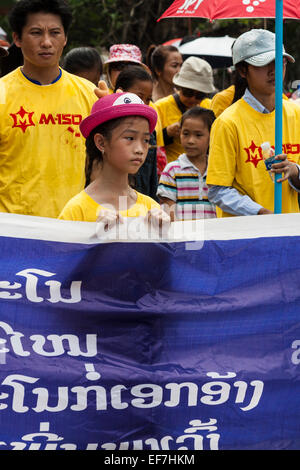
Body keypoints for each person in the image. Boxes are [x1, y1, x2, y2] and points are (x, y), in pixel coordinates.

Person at [0, 0, 98, 218]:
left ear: (65, 38)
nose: (46, 42)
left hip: (73, 227)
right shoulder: (2, 94)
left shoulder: (90, 94)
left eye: (55, 32)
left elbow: (103, 165)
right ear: (16, 38)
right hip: (15, 231)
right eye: (36, 33)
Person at [206, 29, 300, 217]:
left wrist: (295, 171)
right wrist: (259, 213)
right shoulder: (228, 122)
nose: (274, 70)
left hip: (290, 232)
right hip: (246, 236)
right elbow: (218, 190)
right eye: (264, 63)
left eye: (279, 61)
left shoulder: (296, 114)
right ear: (242, 70)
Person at [58, 92, 170, 233]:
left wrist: (164, 235)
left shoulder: (151, 207)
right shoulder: (76, 211)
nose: (140, 149)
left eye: (146, 140)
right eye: (130, 138)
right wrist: (94, 238)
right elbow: (63, 254)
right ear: (101, 142)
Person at [157, 107, 216, 221]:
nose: (190, 140)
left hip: (213, 235)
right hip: (183, 236)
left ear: (212, 136)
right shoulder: (172, 170)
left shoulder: (217, 169)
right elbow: (169, 211)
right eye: (186, 134)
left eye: (198, 135)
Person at [154, 56, 216, 164]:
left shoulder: (211, 107)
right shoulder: (160, 107)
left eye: (200, 95)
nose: (193, 99)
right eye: (188, 93)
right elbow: (150, 144)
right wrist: (167, 133)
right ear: (180, 87)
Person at [113, 66, 159, 201]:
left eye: (148, 99)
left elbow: (152, 177)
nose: (143, 103)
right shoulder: (108, 130)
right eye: (139, 97)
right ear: (120, 92)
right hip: (114, 202)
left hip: (142, 201)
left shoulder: (150, 133)